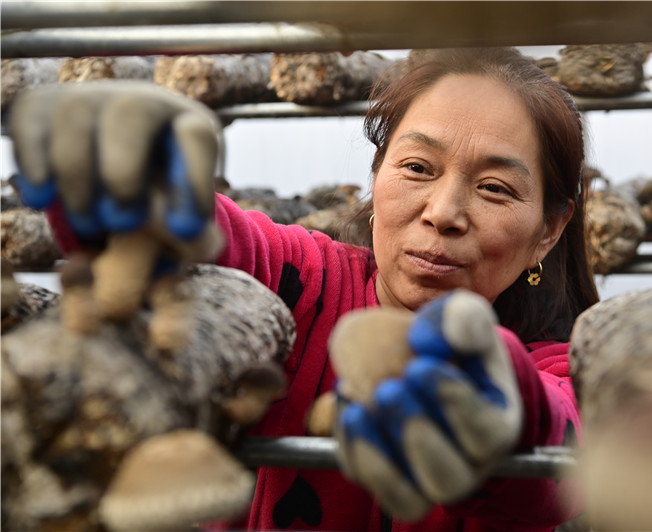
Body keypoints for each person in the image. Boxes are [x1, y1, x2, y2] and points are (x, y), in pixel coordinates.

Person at [8, 47, 599, 531]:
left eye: (495, 188)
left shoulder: (564, 370)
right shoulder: (311, 284)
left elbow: (557, 463)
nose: (444, 212)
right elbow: (231, 243)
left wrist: (491, 393)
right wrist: (134, 186)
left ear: (548, 230)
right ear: (376, 180)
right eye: (417, 168)